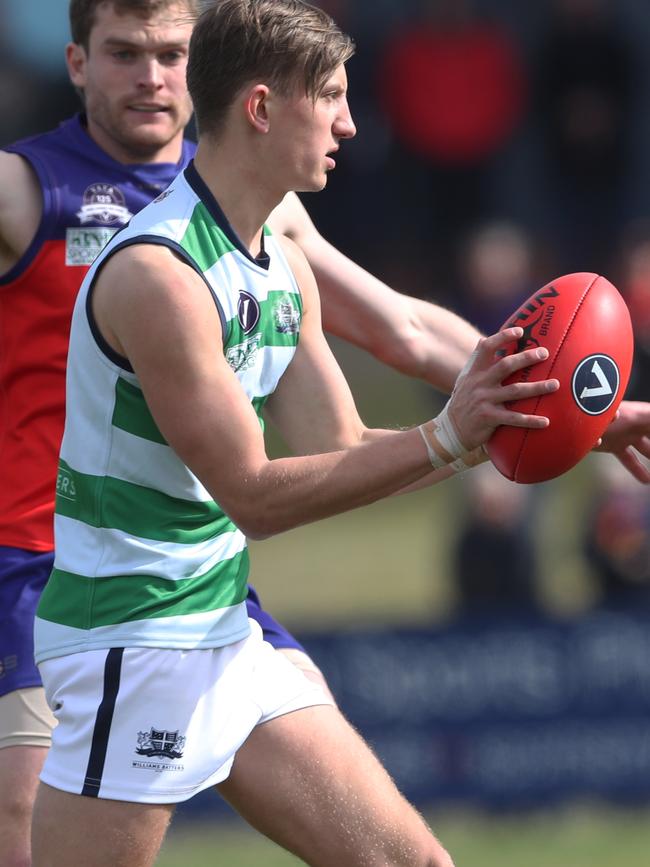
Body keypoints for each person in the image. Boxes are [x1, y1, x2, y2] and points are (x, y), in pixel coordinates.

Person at [1, 2, 649, 864]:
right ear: (263, 108)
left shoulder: (277, 249)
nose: (352, 122)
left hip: (217, 620)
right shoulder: (153, 270)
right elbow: (258, 493)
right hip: (125, 633)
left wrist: (559, 412)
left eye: (170, 53)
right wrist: (455, 437)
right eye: (334, 99)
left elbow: (344, 438)